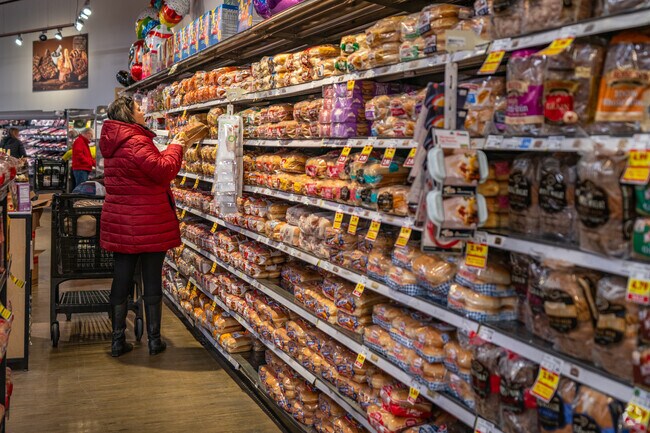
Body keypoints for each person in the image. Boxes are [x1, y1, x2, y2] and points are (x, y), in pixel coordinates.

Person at [100, 96, 196, 357]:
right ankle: (154, 340)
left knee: (122, 277)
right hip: (147, 221)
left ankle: (117, 341)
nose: (143, 111)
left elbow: (142, 171)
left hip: (121, 221)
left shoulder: (114, 142)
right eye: (139, 108)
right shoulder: (135, 141)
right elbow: (163, 170)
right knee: (152, 277)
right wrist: (177, 146)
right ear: (129, 115)